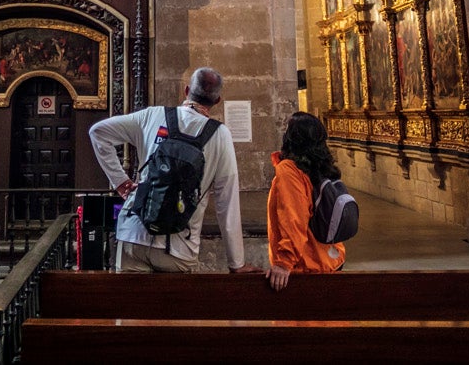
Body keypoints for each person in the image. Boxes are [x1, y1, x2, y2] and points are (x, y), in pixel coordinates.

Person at [88, 67, 260, 274]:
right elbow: (227, 201)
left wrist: (121, 182)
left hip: (135, 234)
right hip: (179, 246)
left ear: (186, 91)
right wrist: (236, 263)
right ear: (217, 101)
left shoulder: (151, 116)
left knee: (130, 305)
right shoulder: (220, 135)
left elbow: (98, 132)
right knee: (172, 306)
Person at [266, 112, 346, 290]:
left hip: (307, 266)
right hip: (329, 258)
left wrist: (284, 262)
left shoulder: (289, 170)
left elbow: (293, 218)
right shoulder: (321, 167)